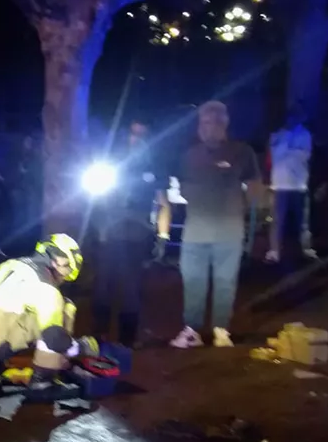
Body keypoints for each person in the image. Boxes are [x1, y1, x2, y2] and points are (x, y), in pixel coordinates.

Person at [163, 101, 264, 349]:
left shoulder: (242, 152)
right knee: (193, 280)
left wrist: (254, 213)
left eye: (216, 123)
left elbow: (254, 189)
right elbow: (179, 188)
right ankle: (192, 330)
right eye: (205, 123)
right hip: (196, 230)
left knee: (225, 281)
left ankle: (221, 330)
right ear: (199, 126)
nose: (210, 128)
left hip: (229, 230)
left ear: (225, 124)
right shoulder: (188, 156)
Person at [0, 234, 84, 385]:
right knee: (65, 308)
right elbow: (53, 338)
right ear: (61, 261)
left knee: (18, 314)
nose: (63, 279)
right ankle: (44, 378)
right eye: (66, 272)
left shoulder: (12, 264)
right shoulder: (46, 288)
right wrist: (81, 347)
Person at [92, 120, 163, 346]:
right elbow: (97, 197)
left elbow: (163, 203)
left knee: (131, 291)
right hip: (111, 234)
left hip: (137, 236)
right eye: (133, 134)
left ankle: (127, 341)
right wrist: (101, 228)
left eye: (142, 134)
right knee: (103, 286)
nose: (137, 139)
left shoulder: (154, 168)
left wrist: (162, 236)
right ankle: (98, 337)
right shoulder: (113, 164)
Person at [267, 106, 314, 263]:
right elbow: (276, 155)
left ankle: (304, 249)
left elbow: (304, 155)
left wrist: (288, 152)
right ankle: (274, 251)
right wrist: (291, 149)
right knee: (277, 220)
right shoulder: (277, 135)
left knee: (302, 220)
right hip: (280, 184)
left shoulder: (305, 134)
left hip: (299, 183)